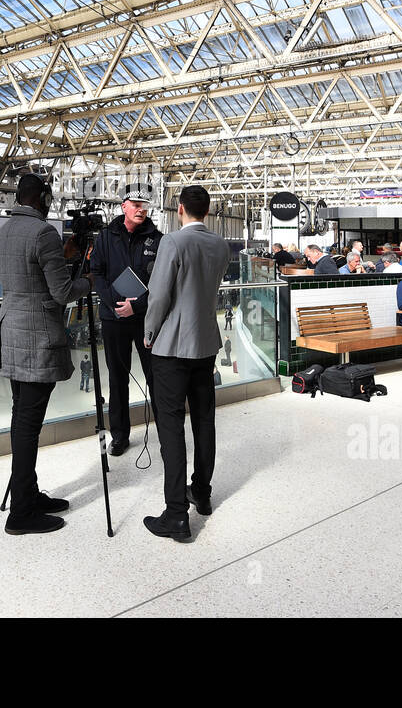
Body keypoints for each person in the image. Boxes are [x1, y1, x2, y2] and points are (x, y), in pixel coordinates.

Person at [0, 173, 91, 535]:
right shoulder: (44, 232)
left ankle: (29, 495)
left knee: (23, 418)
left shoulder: (5, 231)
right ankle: (21, 513)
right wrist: (91, 280)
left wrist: (61, 258)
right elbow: (63, 292)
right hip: (37, 339)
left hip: (12, 332)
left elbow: (29, 275)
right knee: (27, 425)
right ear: (43, 196)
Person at [141, 185, 230, 542]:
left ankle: (176, 513)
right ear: (205, 211)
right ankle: (202, 494)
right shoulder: (220, 245)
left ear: (180, 209)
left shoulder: (173, 242)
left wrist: (148, 332)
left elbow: (160, 294)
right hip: (205, 343)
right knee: (204, 420)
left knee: (171, 426)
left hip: (173, 347)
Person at [89, 182, 162, 457]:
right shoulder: (106, 237)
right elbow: (96, 272)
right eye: (136, 205)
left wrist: (138, 306)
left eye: (145, 205)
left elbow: (162, 282)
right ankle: (119, 436)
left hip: (146, 318)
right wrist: (115, 303)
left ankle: (166, 431)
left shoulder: (157, 239)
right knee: (117, 379)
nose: (141, 210)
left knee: (156, 376)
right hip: (113, 318)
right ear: (124, 207)